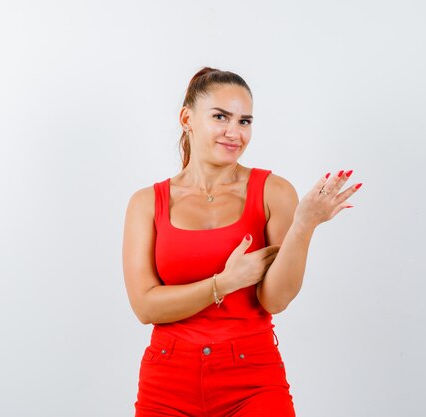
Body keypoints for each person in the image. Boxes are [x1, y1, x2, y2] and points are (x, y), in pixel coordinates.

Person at [122, 67, 363, 417]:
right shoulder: (146, 203)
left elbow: (275, 299)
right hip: (167, 381)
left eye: (244, 121)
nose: (234, 133)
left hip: (252, 379)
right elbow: (145, 307)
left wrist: (303, 225)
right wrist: (225, 283)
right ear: (187, 118)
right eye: (221, 117)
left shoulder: (274, 192)